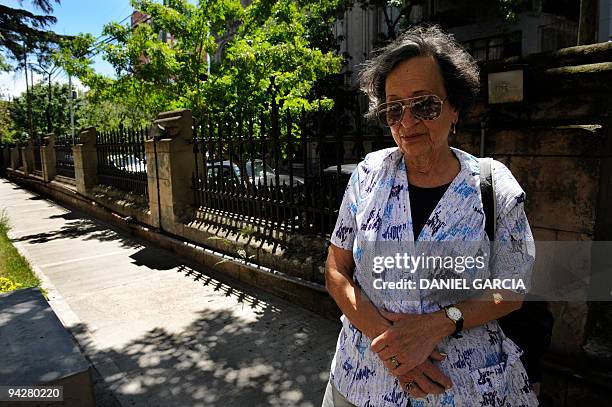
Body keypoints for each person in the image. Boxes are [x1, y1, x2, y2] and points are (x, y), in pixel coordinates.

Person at [322, 25, 538, 407]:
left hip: (465, 387)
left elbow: (512, 290)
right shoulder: (368, 175)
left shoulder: (493, 186)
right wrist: (393, 348)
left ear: (454, 107)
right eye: (393, 108)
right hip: (362, 380)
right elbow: (336, 271)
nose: (406, 122)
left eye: (424, 105)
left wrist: (436, 324)